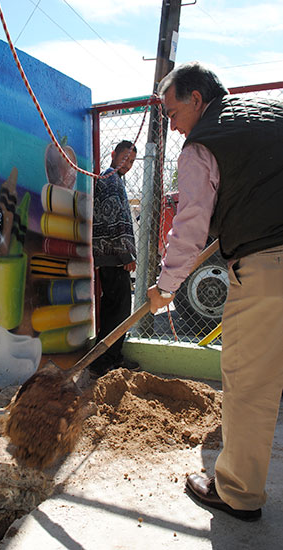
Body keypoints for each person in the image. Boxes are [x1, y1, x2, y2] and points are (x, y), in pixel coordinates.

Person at [147, 61, 283, 522]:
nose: (171, 123)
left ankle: (238, 493)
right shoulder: (270, 111)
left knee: (249, 382)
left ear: (197, 100)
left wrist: (166, 288)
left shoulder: (202, 145)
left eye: (171, 112)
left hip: (269, 265)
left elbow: (189, 228)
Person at [91, 140, 140, 378]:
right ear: (113, 154)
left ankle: (106, 359)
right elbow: (115, 222)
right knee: (120, 310)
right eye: (125, 158)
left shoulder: (111, 179)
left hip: (109, 256)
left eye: (131, 161)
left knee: (114, 309)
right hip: (114, 256)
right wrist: (126, 256)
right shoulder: (110, 180)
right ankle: (105, 362)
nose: (128, 164)